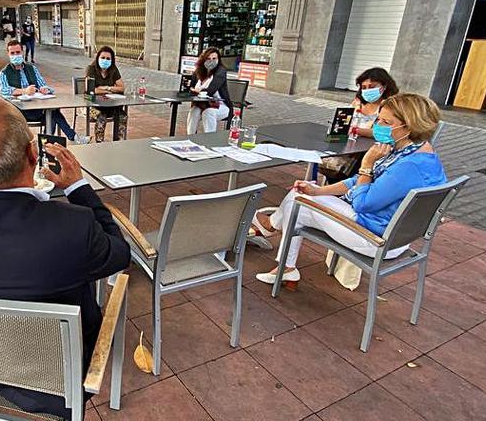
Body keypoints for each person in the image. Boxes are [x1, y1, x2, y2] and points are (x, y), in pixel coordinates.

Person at [0, 94, 130, 418]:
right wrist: (78, 188)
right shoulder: (72, 227)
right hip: (58, 385)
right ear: (33, 153)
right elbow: (120, 254)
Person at [251, 94, 446, 287]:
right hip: (395, 235)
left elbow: (363, 203)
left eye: (386, 122)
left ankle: (273, 231)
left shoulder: (408, 166)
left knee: (297, 201)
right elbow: (358, 181)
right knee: (301, 199)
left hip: (376, 240)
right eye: (379, 119)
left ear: (409, 126)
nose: (378, 125)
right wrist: (317, 191)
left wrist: (367, 163)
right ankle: (284, 260)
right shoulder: (417, 151)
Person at [0, 40, 90, 144]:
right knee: (53, 115)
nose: (16, 55)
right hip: (19, 113)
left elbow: (44, 85)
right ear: (8, 54)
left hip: (37, 108)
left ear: (22, 52)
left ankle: (47, 143)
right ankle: (59, 141)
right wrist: (24, 91)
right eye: (12, 53)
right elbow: (4, 91)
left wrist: (44, 89)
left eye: (18, 52)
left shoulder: (32, 68)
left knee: (53, 112)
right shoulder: (4, 73)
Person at [321, 67, 400, 183]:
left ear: (384, 87)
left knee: (345, 169)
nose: (367, 90)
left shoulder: (389, 107)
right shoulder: (357, 103)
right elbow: (340, 124)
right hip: (347, 148)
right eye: (364, 87)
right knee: (326, 156)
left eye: (372, 86)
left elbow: (384, 132)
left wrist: (355, 130)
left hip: (371, 151)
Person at [85, 46, 126, 142]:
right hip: (93, 106)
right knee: (101, 117)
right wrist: (110, 90)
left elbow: (122, 88)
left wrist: (107, 88)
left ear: (112, 60)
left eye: (108, 58)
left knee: (122, 115)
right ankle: (99, 143)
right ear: (98, 57)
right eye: (102, 58)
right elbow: (91, 90)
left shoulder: (113, 70)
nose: (105, 60)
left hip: (110, 105)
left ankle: (119, 141)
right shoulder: (91, 69)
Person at [187, 47, 231, 134]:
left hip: (221, 105)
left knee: (208, 112)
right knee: (194, 111)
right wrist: (193, 89)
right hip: (203, 104)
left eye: (214, 59)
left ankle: (209, 140)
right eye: (208, 59)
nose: (211, 61)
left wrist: (198, 90)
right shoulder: (199, 70)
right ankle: (190, 137)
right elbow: (190, 86)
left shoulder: (221, 71)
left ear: (218, 59)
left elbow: (211, 90)